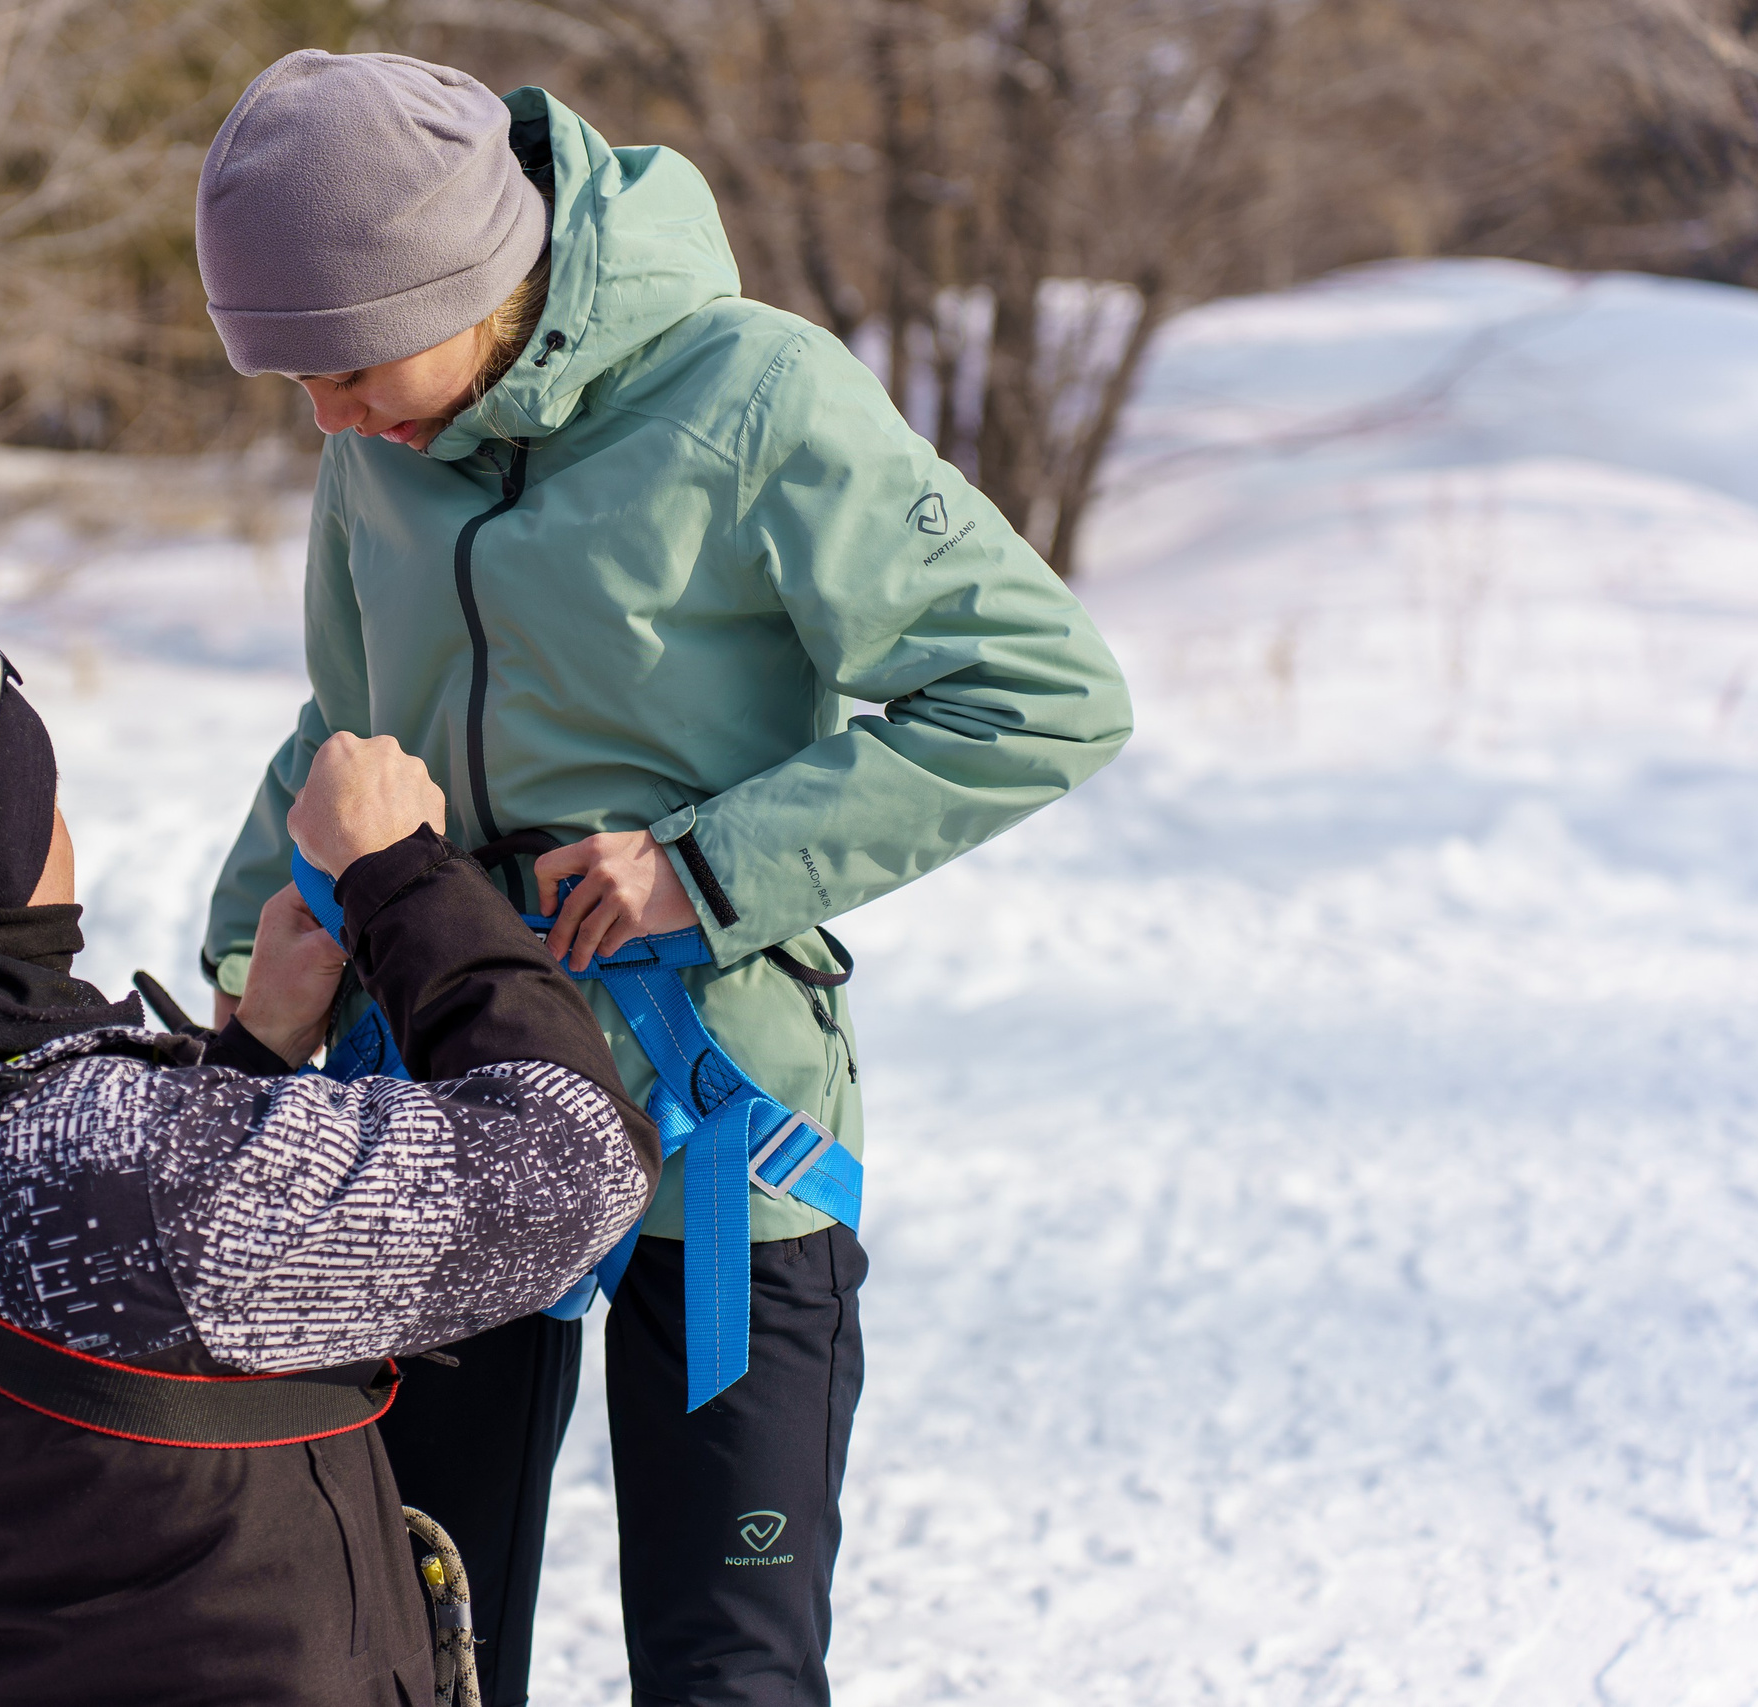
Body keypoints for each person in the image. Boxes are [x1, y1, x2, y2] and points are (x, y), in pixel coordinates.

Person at [192, 52, 1135, 1706]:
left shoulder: (756, 397)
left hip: (723, 1139)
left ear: (467, 276)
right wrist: (242, 953)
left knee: (728, 1671)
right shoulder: (374, 459)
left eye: (347, 361)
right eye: (295, 380)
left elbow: (1041, 692)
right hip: (451, 1113)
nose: (331, 416)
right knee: (415, 1644)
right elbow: (342, 735)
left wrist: (706, 864)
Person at [0, 621, 660, 1706]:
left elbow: (90, 1332)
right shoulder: (120, 1164)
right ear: (1, 848)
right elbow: (571, 1168)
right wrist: (402, 876)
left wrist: (249, 1062)